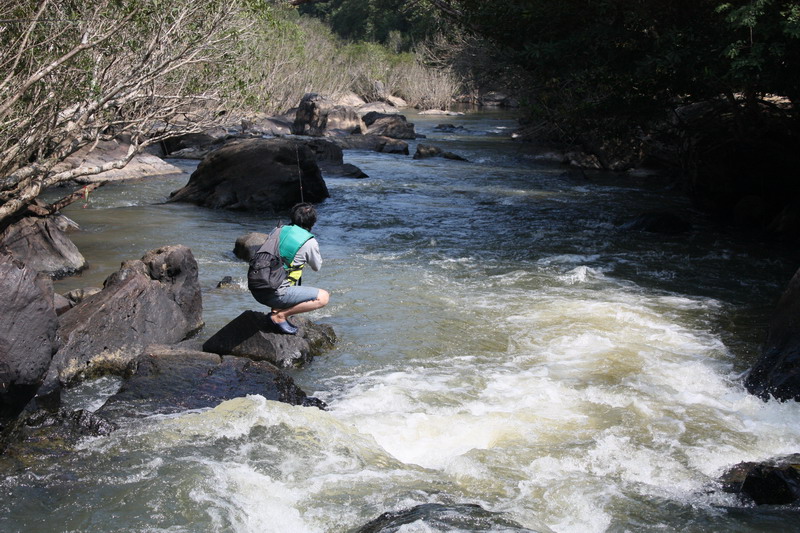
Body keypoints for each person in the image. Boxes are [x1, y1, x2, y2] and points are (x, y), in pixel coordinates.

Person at [249, 203, 329, 335]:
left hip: (256, 289)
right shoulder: (309, 242)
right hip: (275, 294)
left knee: (278, 270)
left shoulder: (277, 230)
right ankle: (280, 316)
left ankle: (275, 313)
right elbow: (317, 267)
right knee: (323, 297)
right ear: (313, 222)